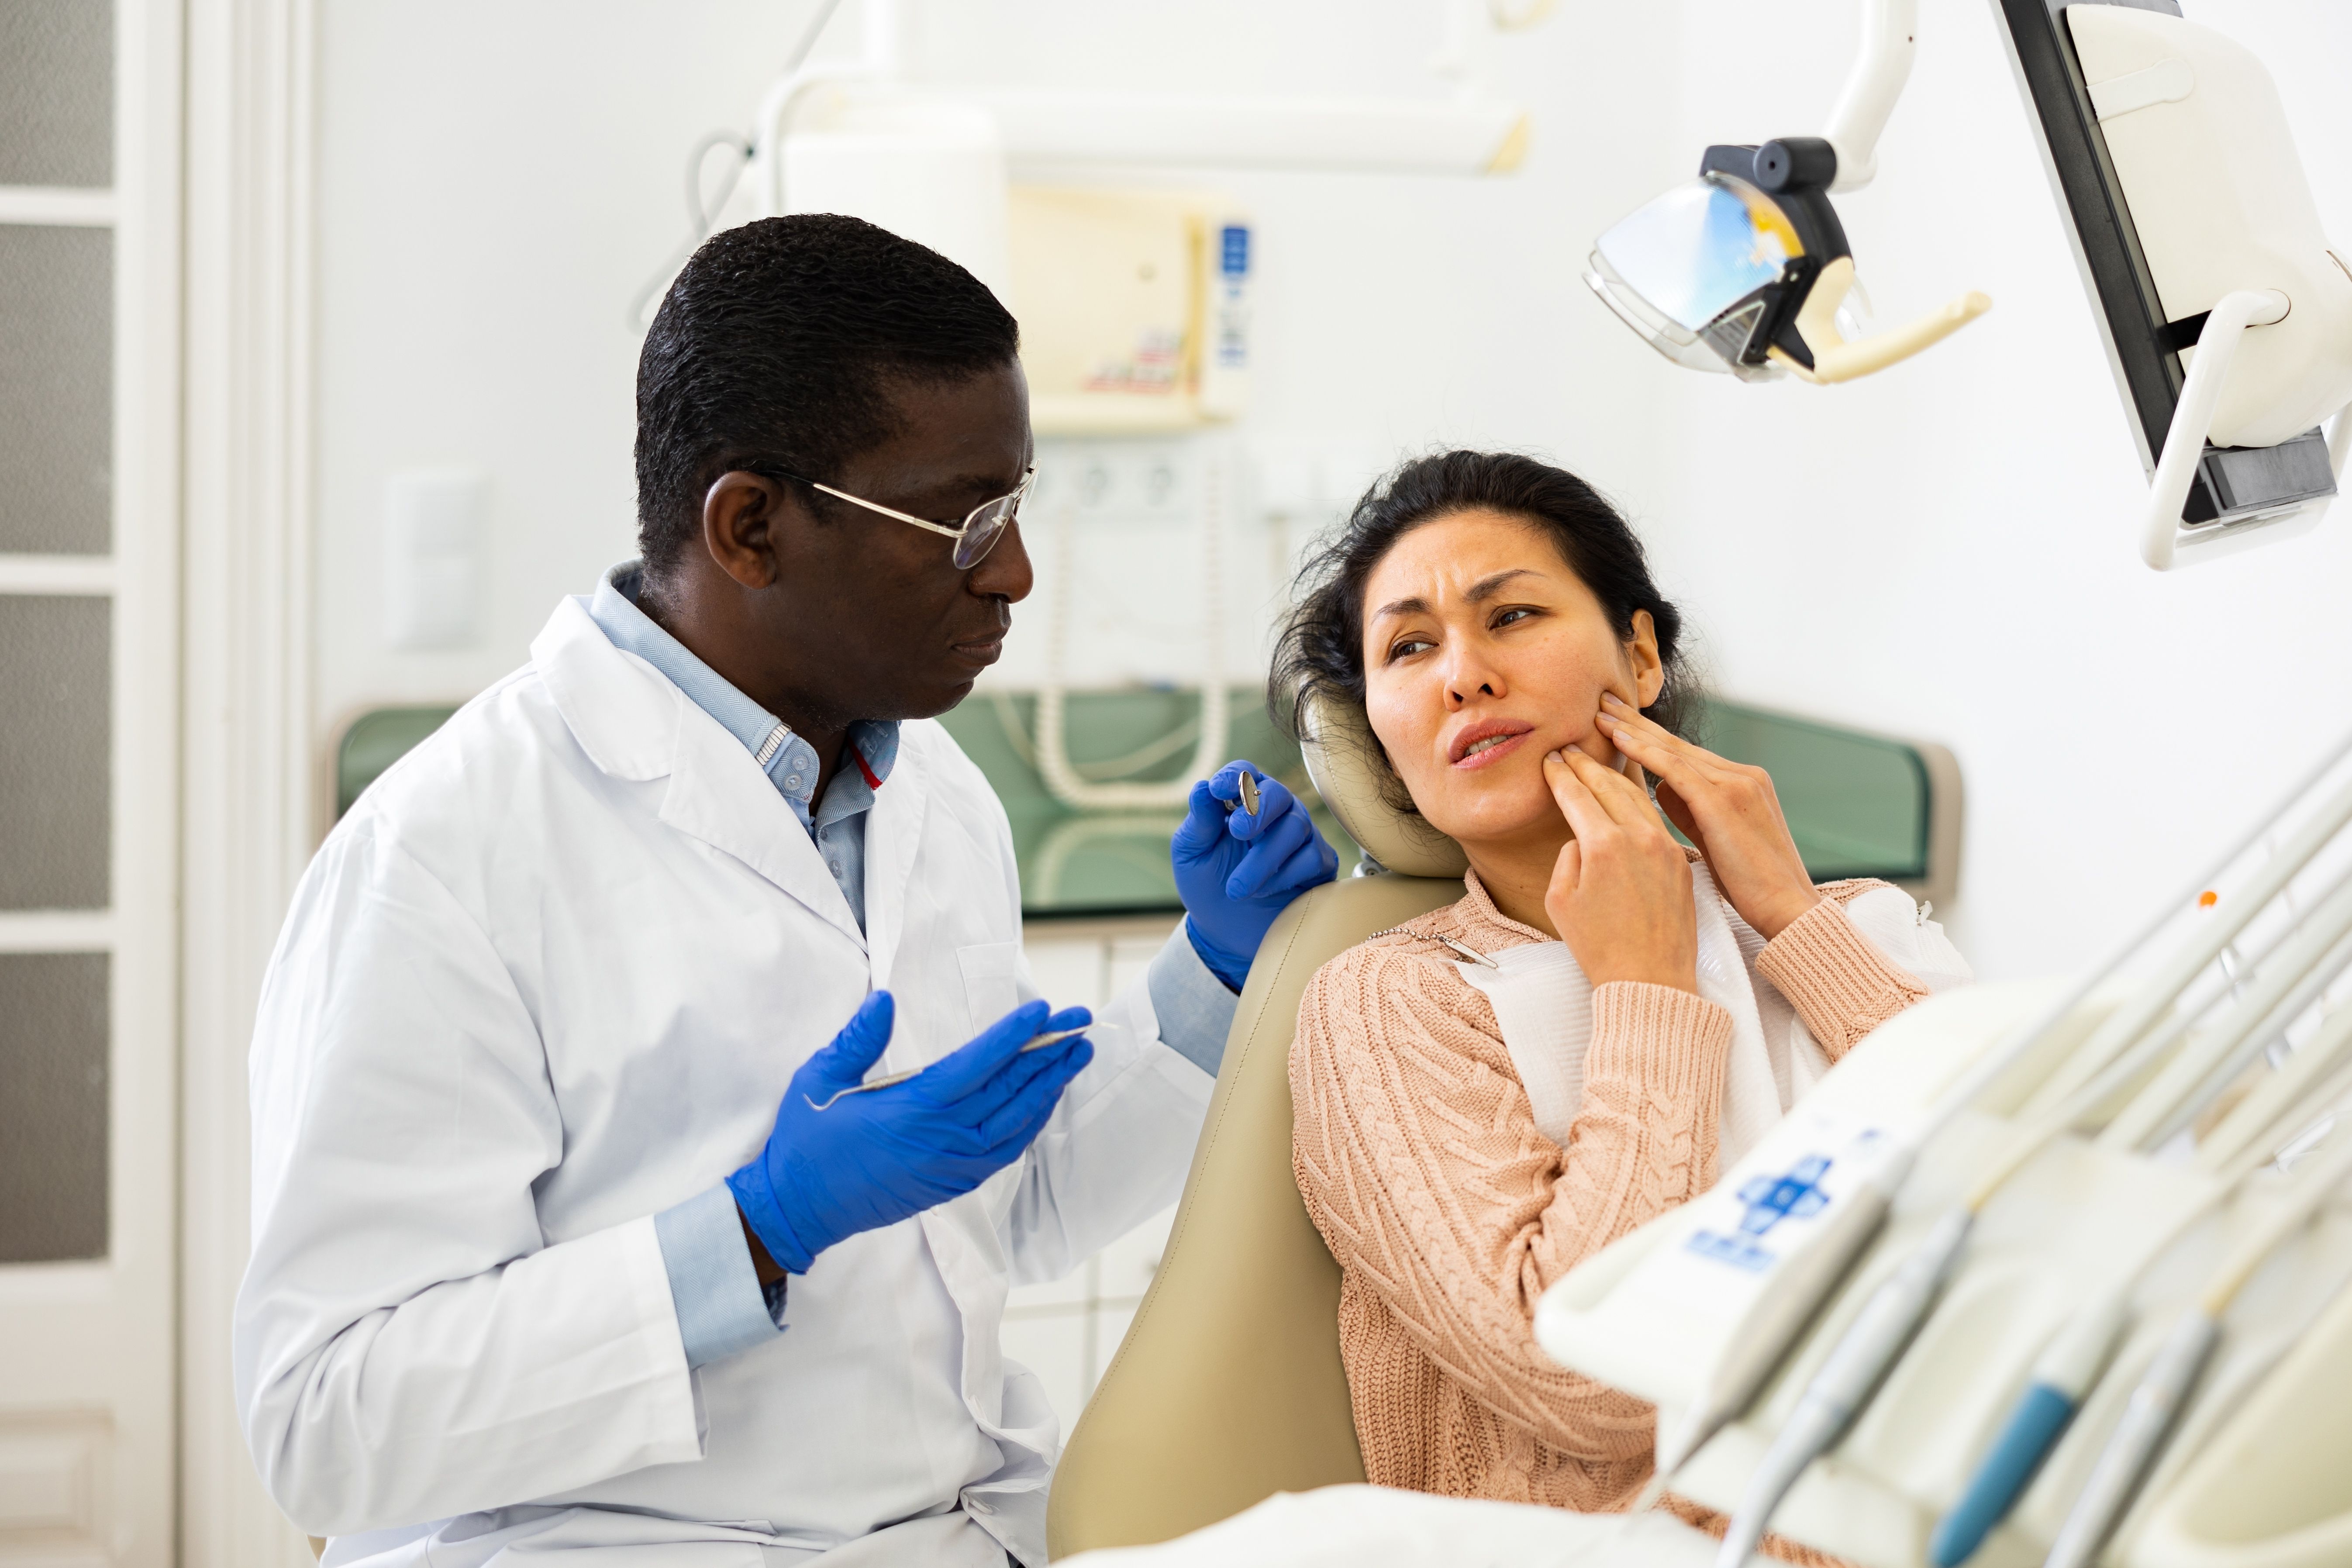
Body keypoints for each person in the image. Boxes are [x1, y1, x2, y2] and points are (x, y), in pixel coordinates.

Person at [235, 215, 1337, 1568]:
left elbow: (997, 1219)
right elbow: (328, 1421)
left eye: (1018, 503)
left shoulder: (937, 802)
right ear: (750, 526)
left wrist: (1211, 983)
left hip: (946, 1534)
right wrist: (754, 1236)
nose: (1014, 572)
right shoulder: (445, 854)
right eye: (963, 518)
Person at [1273, 451, 1969, 1541]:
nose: (1462, 673)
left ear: (1638, 657)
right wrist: (1645, 987)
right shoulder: (1392, 1002)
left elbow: (2033, 1199)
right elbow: (1587, 1387)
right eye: (1409, 645)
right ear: (1383, 734)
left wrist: (1789, 917)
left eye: (1510, 614)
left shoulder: (1845, 927)